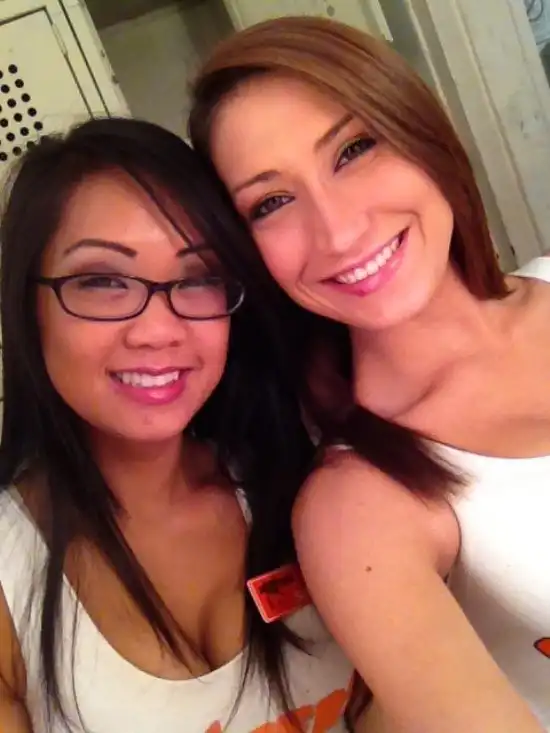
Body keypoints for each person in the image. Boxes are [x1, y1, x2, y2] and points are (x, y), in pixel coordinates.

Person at [188, 15, 550, 733]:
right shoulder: (355, 504)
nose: (340, 230)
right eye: (271, 202)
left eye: (354, 149)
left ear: (421, 132)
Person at [0, 117, 357, 732]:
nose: (159, 331)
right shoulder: (12, 578)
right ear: (27, 310)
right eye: (102, 281)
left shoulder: (303, 482)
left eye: (198, 278)